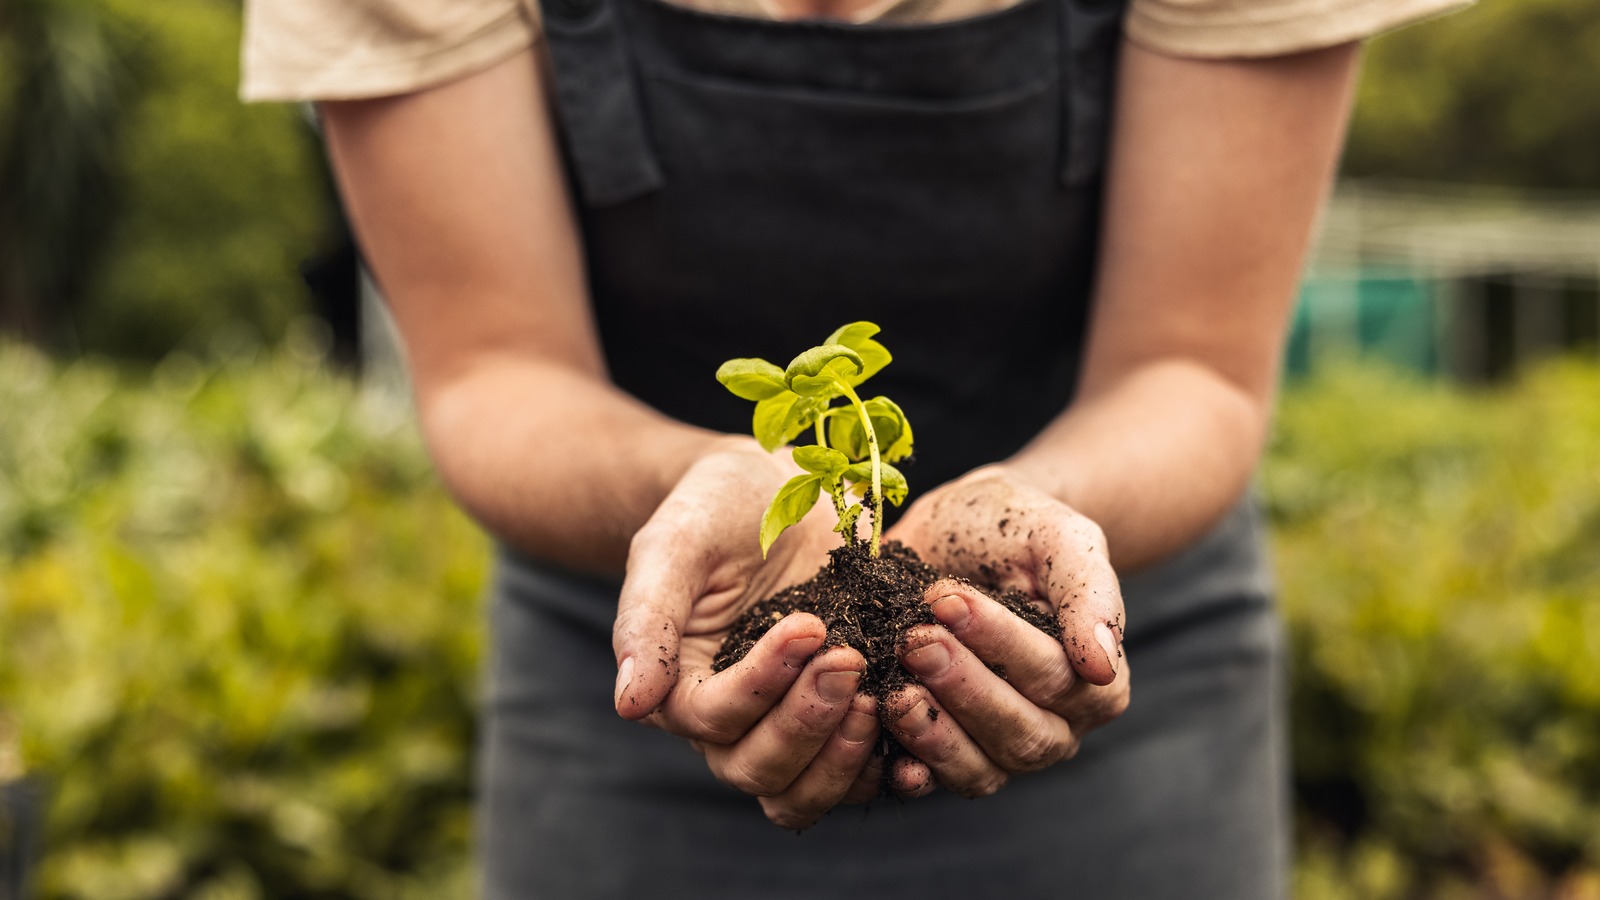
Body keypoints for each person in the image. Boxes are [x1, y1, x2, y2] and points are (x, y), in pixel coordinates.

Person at [243, 0, 1467, 895]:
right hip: (650, 657)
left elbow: (1189, 367)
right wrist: (700, 484)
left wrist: (1029, 514)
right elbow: (492, 369)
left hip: (1105, 648)